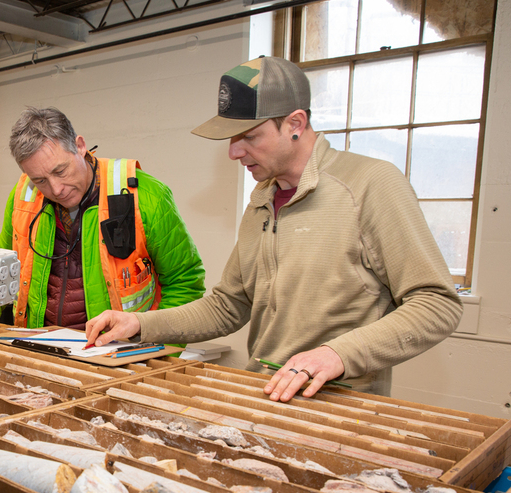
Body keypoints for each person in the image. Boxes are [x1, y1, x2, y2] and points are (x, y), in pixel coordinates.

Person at [85, 56, 463, 402]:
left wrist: (338, 354)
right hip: (265, 393)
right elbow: (228, 306)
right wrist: (139, 322)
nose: (234, 152)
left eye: (249, 137)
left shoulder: (370, 185)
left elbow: (436, 303)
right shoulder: (262, 200)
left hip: (340, 401)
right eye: (232, 139)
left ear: (295, 124)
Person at [0, 107, 206, 329]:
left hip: (119, 354)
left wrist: (150, 340)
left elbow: (186, 283)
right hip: (39, 349)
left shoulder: (145, 196)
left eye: (61, 170)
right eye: (40, 180)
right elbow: (3, 269)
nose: (56, 189)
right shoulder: (24, 195)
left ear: (80, 146)